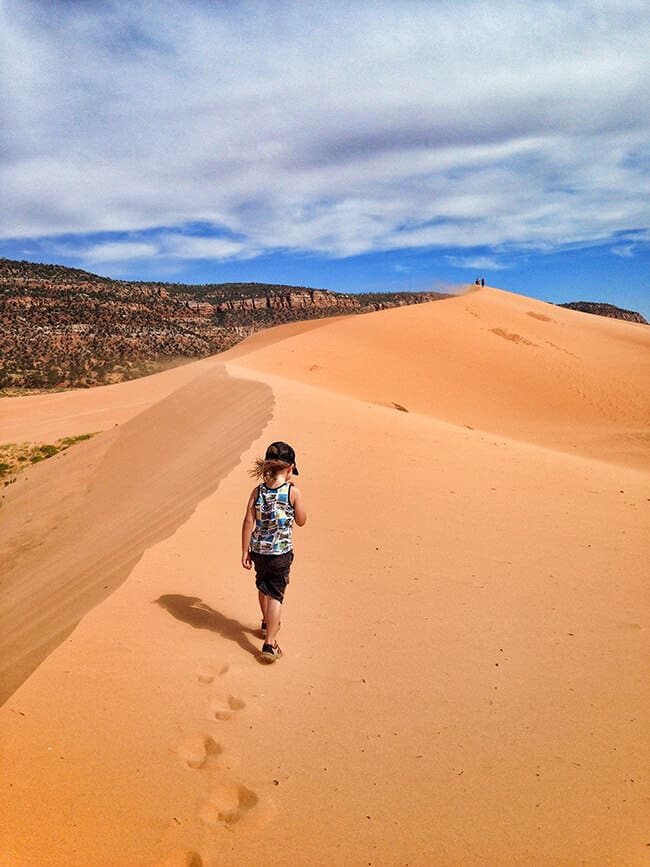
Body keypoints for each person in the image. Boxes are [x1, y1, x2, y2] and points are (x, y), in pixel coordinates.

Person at [241, 441, 307, 663]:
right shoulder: (292, 491)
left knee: (263, 585)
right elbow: (301, 521)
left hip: (259, 551)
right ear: (290, 469)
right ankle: (270, 643)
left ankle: (264, 620)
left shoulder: (257, 491)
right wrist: (296, 498)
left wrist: (244, 550)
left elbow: (248, 520)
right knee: (275, 596)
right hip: (280, 554)